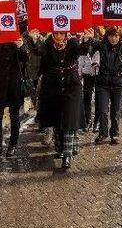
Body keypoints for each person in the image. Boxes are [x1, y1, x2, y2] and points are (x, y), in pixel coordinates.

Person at [27, 30, 89, 169]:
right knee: (56, 119)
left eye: (61, 33)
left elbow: (82, 50)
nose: (59, 36)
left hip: (71, 86)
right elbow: (39, 52)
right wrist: (34, 40)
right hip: (53, 86)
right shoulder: (48, 43)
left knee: (68, 119)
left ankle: (67, 156)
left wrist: (86, 40)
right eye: (56, 34)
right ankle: (60, 148)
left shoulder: (72, 42)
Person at [89, 25, 122, 145]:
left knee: (116, 111)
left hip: (118, 84)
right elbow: (91, 43)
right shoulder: (102, 46)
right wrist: (89, 37)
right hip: (103, 83)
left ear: (120, 36)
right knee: (102, 110)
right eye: (111, 36)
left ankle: (115, 134)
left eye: (116, 36)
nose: (113, 39)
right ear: (107, 36)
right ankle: (103, 133)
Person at [0, 39, 29, 159]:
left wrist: (20, 45)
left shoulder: (17, 39)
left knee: (14, 115)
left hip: (13, 84)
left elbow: (25, 58)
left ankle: (13, 144)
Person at [79, 28, 101, 132]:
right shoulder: (82, 43)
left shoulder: (100, 43)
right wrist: (79, 73)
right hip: (87, 73)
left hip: (99, 74)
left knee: (99, 98)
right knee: (87, 98)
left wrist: (98, 64)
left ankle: (97, 120)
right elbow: (81, 59)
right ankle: (88, 120)